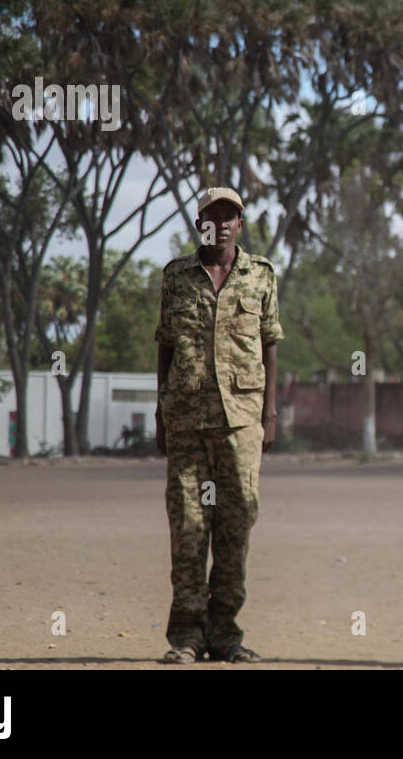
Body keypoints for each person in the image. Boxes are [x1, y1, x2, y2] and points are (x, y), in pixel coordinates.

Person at [154, 187, 283, 665]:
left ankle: (225, 634)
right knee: (188, 527)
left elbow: (271, 342)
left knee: (236, 525)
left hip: (242, 422)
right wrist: (160, 411)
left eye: (230, 216)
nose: (222, 223)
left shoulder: (261, 276)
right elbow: (165, 342)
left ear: (240, 224)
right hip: (186, 418)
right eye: (212, 216)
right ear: (199, 224)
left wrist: (270, 413)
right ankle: (187, 636)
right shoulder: (176, 277)